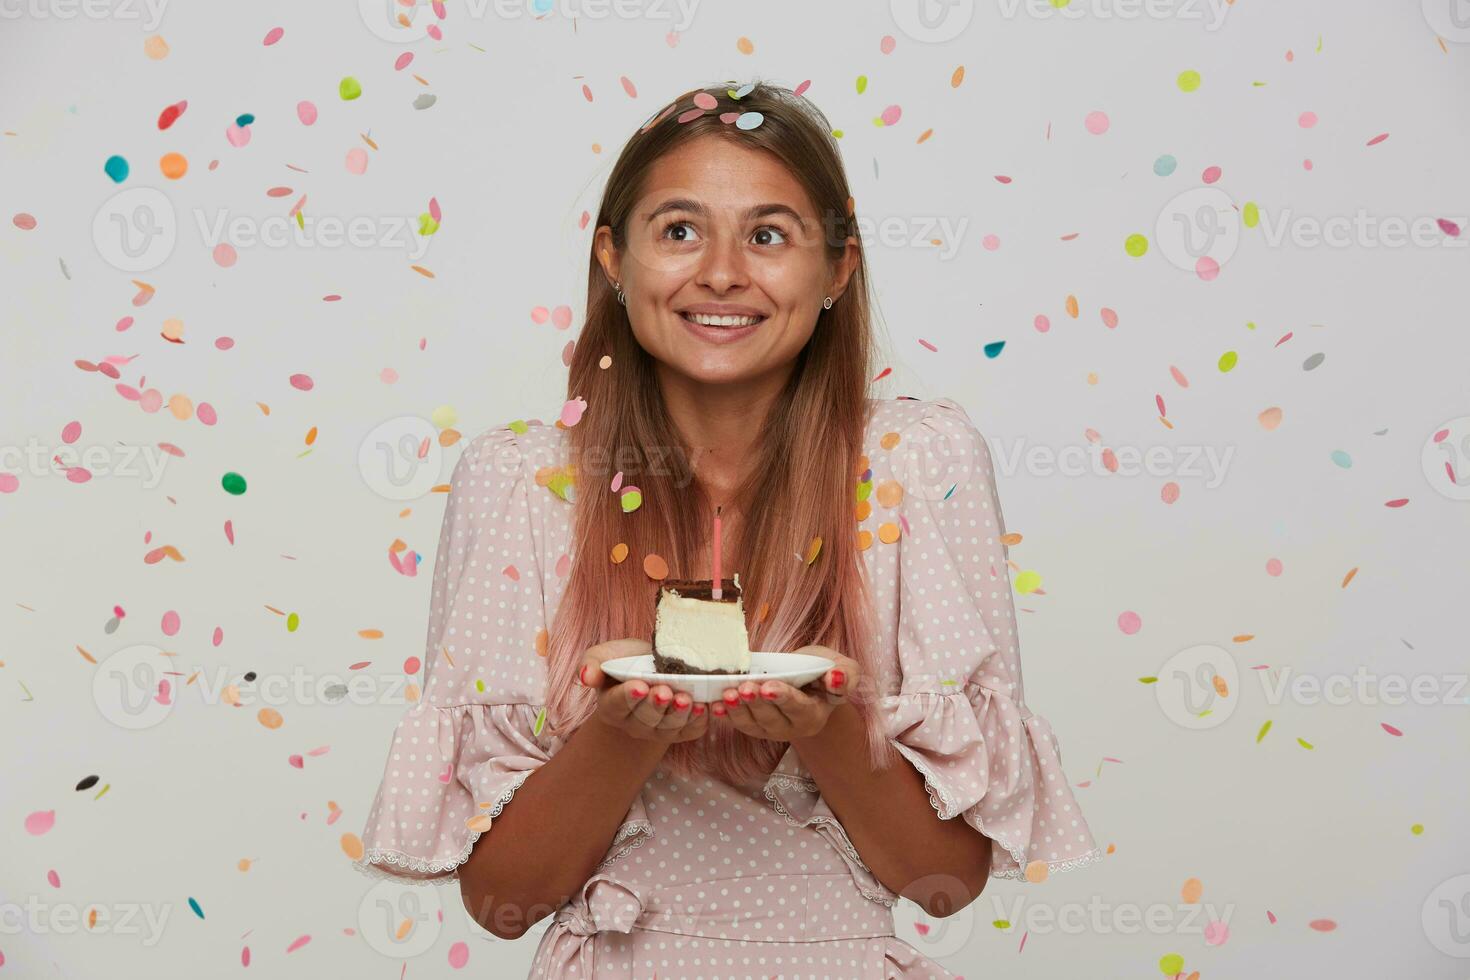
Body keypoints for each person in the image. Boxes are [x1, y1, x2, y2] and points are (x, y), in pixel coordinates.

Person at [355, 79, 1100, 979]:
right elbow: (502, 901)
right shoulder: (521, 482)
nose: (720, 272)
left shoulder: (917, 466)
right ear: (613, 260)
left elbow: (945, 881)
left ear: (836, 270)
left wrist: (830, 728)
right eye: (678, 229)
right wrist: (624, 732)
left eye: (768, 234)